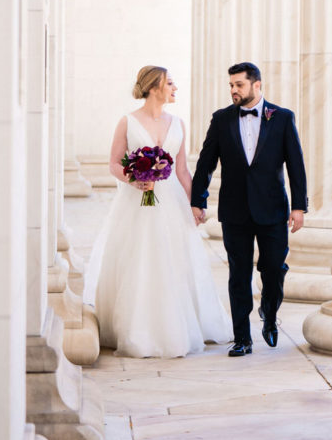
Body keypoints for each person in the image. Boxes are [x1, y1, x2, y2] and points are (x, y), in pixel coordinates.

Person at [84, 65, 232, 358]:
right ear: (154, 88)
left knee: (175, 260)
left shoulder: (178, 123)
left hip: (172, 203)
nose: (175, 88)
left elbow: (182, 170)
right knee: (140, 259)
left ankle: (178, 325)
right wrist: (135, 179)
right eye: (170, 83)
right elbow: (114, 163)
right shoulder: (127, 122)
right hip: (137, 204)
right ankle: (139, 329)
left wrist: (195, 203)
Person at [190, 62, 308, 356]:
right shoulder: (221, 119)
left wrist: (299, 207)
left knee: (274, 269)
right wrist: (198, 200)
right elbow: (206, 163)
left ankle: (269, 314)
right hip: (235, 210)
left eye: (239, 85)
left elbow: (296, 165)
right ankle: (242, 337)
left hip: (273, 210)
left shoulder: (282, 118)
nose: (233, 90)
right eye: (231, 85)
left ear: (257, 85)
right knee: (238, 274)